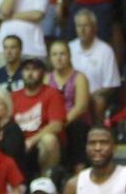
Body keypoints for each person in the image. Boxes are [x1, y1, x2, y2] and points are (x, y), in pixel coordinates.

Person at [11, 57, 66, 179]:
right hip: (18, 143)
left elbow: (56, 125)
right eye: (26, 69)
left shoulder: (52, 93)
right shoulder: (13, 96)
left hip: (40, 144)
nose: (30, 73)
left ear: (42, 73)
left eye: (35, 69)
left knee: (49, 139)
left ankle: (45, 182)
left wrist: (31, 140)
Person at [68, 9, 121, 122]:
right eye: (79, 26)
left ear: (95, 27)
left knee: (99, 101)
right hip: (70, 96)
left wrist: (88, 96)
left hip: (94, 97)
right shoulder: (69, 48)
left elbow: (111, 85)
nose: (82, 30)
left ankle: (97, 134)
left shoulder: (105, 50)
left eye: (86, 26)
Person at [64, 126, 126, 194]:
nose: (97, 148)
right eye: (92, 143)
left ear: (114, 147)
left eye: (104, 142)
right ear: (86, 148)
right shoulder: (74, 185)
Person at [47, 40, 90, 171]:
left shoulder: (79, 77)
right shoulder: (46, 78)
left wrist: (61, 122)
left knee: (76, 128)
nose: (58, 58)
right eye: (54, 54)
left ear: (69, 56)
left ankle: (79, 171)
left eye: (62, 54)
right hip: (53, 123)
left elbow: (81, 106)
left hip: (74, 121)